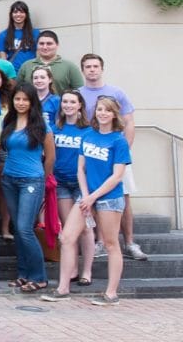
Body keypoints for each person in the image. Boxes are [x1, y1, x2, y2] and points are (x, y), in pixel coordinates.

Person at [43, 96, 132, 306]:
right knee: (66, 237)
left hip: (109, 199)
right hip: (86, 196)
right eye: (99, 109)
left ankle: (111, 294)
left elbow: (117, 176)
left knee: (110, 244)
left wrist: (93, 197)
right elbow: (80, 169)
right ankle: (62, 288)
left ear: (114, 115)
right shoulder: (89, 136)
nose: (102, 113)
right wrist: (85, 195)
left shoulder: (118, 140)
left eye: (107, 110)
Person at [76, 53, 147, 261]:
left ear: (101, 68)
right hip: (92, 155)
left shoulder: (117, 92)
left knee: (122, 198)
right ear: (83, 70)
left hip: (115, 155)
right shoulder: (79, 94)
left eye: (95, 66)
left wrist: (121, 154)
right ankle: (100, 241)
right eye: (88, 66)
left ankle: (130, 242)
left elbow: (129, 122)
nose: (92, 70)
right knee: (94, 196)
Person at [0, 84, 55, 293]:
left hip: (32, 180)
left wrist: (43, 178)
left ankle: (39, 277)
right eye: (17, 99)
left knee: (25, 229)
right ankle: (23, 274)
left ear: (32, 102)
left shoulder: (41, 126)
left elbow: (50, 158)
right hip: (9, 180)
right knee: (18, 229)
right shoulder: (9, 121)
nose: (21, 103)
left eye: (25, 99)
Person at [47, 91, 95, 290]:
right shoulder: (55, 128)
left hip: (82, 184)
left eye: (72, 102)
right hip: (62, 183)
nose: (68, 105)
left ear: (80, 105)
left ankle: (87, 271)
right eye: (65, 102)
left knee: (85, 228)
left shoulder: (89, 130)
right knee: (68, 228)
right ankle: (72, 268)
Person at [17, 31, 83, 95]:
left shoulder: (70, 67)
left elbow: (80, 93)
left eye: (49, 44)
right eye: (41, 44)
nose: (45, 47)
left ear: (57, 45)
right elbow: (18, 90)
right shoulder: (26, 66)